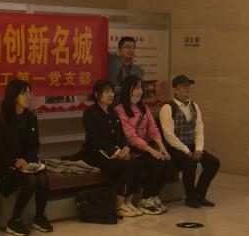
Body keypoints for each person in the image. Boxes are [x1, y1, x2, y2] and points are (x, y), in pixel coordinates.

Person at [0, 79, 51, 236]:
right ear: (14, 96)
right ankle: (15, 220)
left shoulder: (31, 118)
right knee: (31, 180)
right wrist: (16, 163)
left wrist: (26, 161)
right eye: (23, 93)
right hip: (7, 167)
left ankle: (39, 217)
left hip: (28, 164)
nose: (28, 96)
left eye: (29, 93)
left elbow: (35, 146)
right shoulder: (2, 120)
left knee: (43, 178)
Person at [79, 80, 144, 218]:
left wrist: (125, 147)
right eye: (106, 91)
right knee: (126, 166)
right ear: (97, 94)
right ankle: (119, 205)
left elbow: (121, 135)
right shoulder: (90, 113)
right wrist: (117, 152)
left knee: (137, 164)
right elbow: (95, 139)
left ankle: (128, 202)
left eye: (112, 91)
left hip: (115, 152)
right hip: (95, 154)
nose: (110, 94)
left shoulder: (113, 112)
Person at [115, 74, 176, 215]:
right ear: (127, 89)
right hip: (132, 150)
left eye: (140, 88)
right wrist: (151, 151)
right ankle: (145, 200)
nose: (140, 91)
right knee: (157, 162)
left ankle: (153, 196)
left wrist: (162, 148)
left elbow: (153, 129)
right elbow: (130, 137)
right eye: (136, 88)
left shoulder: (144, 107)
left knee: (169, 161)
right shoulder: (120, 109)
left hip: (146, 148)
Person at [158, 75, 222, 208]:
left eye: (189, 86)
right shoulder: (167, 108)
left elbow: (199, 129)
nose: (187, 88)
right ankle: (190, 198)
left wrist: (198, 149)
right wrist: (187, 151)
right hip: (174, 148)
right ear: (175, 89)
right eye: (183, 86)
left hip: (192, 145)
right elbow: (169, 136)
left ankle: (200, 195)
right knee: (190, 163)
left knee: (213, 163)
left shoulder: (195, 106)